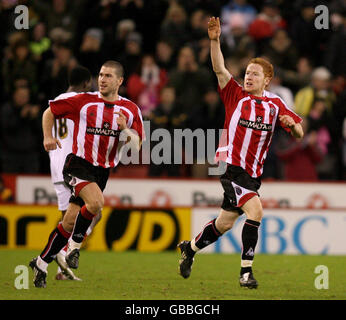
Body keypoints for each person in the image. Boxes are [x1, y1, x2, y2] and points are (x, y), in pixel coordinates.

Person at [177, 17, 304, 289]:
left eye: (255, 73)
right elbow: (220, 69)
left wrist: (292, 126)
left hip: (252, 172)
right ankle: (246, 273)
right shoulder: (235, 94)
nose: (248, 76)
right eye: (247, 72)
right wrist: (214, 41)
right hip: (230, 165)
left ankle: (190, 248)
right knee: (255, 211)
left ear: (267, 80)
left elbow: (299, 132)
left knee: (224, 223)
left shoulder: (276, 104)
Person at [29, 60, 144, 288]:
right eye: (100, 75)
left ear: (120, 81)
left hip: (102, 171)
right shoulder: (84, 101)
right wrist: (47, 137)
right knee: (96, 204)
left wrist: (125, 130)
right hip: (78, 164)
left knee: (69, 221)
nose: (102, 79)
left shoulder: (130, 110)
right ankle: (74, 249)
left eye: (108, 76)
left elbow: (137, 144)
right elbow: (49, 112)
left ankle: (41, 262)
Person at [48, 65, 96, 281]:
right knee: (94, 212)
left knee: (67, 218)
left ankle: (61, 266)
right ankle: (63, 256)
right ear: (86, 83)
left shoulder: (56, 100)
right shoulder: (81, 102)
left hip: (55, 165)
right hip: (72, 165)